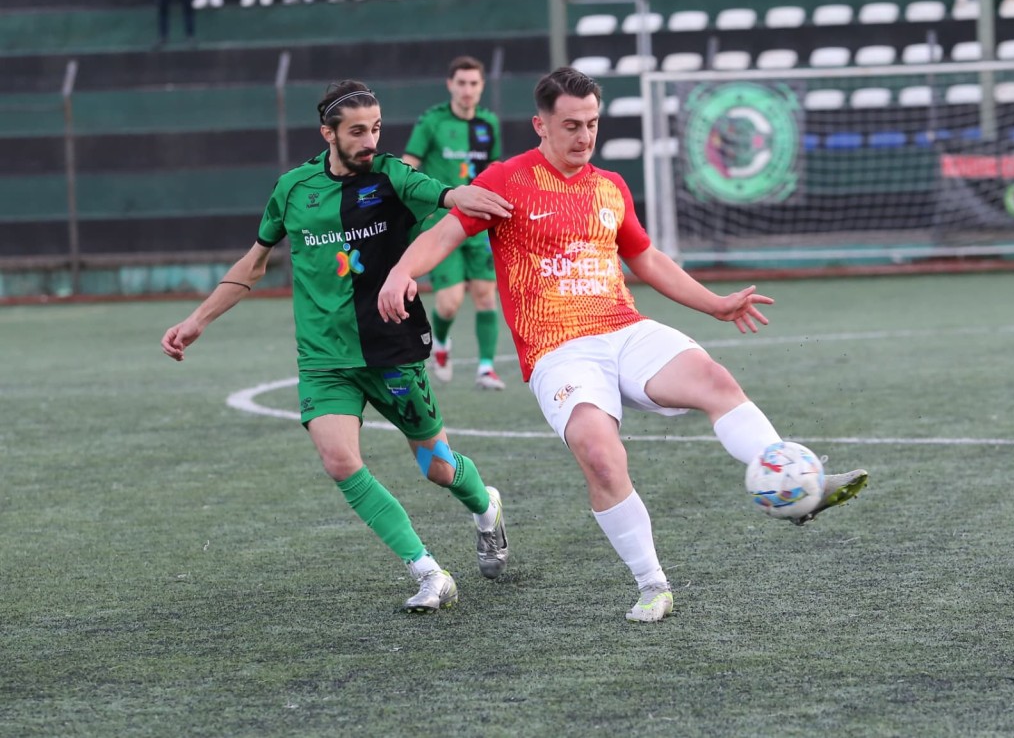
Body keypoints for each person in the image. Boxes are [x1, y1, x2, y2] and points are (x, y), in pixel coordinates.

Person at [379, 67, 869, 623]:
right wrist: (401, 273)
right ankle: (652, 585)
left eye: (592, 123)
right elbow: (445, 233)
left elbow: (646, 258)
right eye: (571, 125)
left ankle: (794, 484)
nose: (585, 136)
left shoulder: (610, 186)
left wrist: (715, 304)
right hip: (558, 348)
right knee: (601, 455)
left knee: (715, 380)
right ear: (541, 125)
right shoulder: (507, 180)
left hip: (623, 328)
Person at [161, 81, 513, 613]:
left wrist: (461, 198)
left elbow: (446, 199)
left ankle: (486, 508)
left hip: (391, 350)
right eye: (357, 131)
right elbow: (254, 264)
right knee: (339, 461)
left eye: (376, 128)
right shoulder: (293, 189)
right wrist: (197, 320)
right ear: (328, 133)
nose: (370, 140)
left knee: (438, 468)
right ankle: (429, 572)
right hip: (324, 359)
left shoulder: (393, 176)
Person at [403, 56, 505, 390]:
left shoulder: (488, 123)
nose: (467, 90)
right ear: (450, 85)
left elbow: (495, 170)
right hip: (442, 225)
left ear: (482, 86)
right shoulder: (432, 121)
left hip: (481, 225)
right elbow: (407, 167)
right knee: (449, 303)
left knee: (486, 296)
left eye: (473, 83)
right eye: (461, 83)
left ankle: (486, 368)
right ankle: (442, 344)